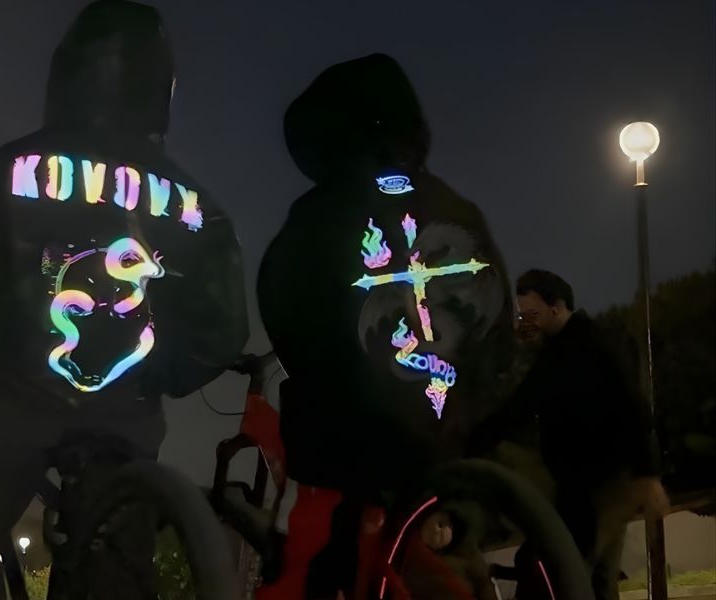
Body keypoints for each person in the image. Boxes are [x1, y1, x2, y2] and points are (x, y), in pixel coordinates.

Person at [0, 1, 248, 598]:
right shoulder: (196, 200)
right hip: (128, 413)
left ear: (66, 73)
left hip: (18, 403)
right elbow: (223, 329)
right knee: (119, 558)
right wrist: (154, 377)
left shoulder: (9, 168)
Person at [256, 53, 513, 598]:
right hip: (452, 449)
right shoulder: (462, 210)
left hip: (349, 450)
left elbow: (285, 308)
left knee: (322, 564)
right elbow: (497, 328)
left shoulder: (321, 213)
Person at [502, 269, 665, 600]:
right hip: (593, 481)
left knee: (574, 566)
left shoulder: (592, 345)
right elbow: (520, 405)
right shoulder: (557, 353)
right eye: (522, 314)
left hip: (605, 483)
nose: (526, 320)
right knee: (600, 576)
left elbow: (631, 404)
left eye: (531, 312)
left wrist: (648, 475)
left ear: (555, 306)